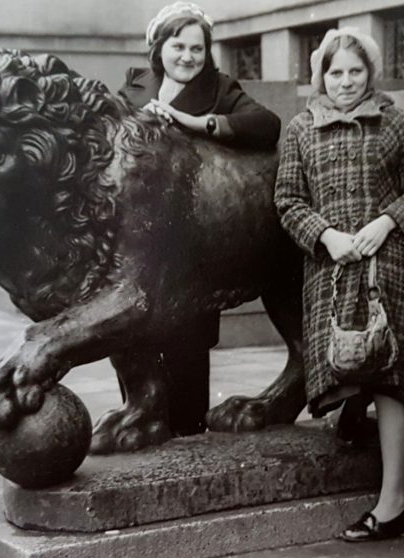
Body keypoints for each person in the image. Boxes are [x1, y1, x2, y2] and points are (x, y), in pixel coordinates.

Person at [274, 27, 404, 542]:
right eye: (335, 72)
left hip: (390, 262)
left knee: (387, 375)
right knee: (346, 360)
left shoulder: (394, 122)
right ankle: (351, 423)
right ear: (321, 75)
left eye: (355, 71)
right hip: (331, 265)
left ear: (370, 73)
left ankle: (394, 503)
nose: (346, 82)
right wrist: (324, 235)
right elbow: (287, 201)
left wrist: (385, 223)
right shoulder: (301, 129)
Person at [118, 2, 281, 436]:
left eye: (197, 48)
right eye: (178, 46)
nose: (188, 56)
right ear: (159, 47)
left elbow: (267, 125)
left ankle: (189, 444)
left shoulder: (220, 88)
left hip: (189, 251)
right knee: (135, 354)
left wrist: (195, 122)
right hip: (136, 249)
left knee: (185, 362)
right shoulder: (134, 87)